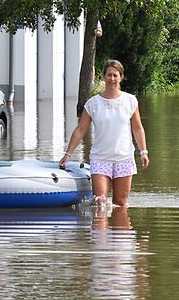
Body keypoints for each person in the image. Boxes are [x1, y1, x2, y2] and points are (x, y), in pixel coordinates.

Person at [59, 59, 149, 206]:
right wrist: (68, 154)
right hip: (100, 158)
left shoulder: (130, 101)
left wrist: (143, 151)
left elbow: (137, 128)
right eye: (109, 75)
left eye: (115, 75)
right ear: (104, 76)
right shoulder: (93, 104)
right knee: (100, 202)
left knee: (120, 203)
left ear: (120, 77)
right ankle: (101, 227)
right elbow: (80, 130)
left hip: (124, 158)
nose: (112, 79)